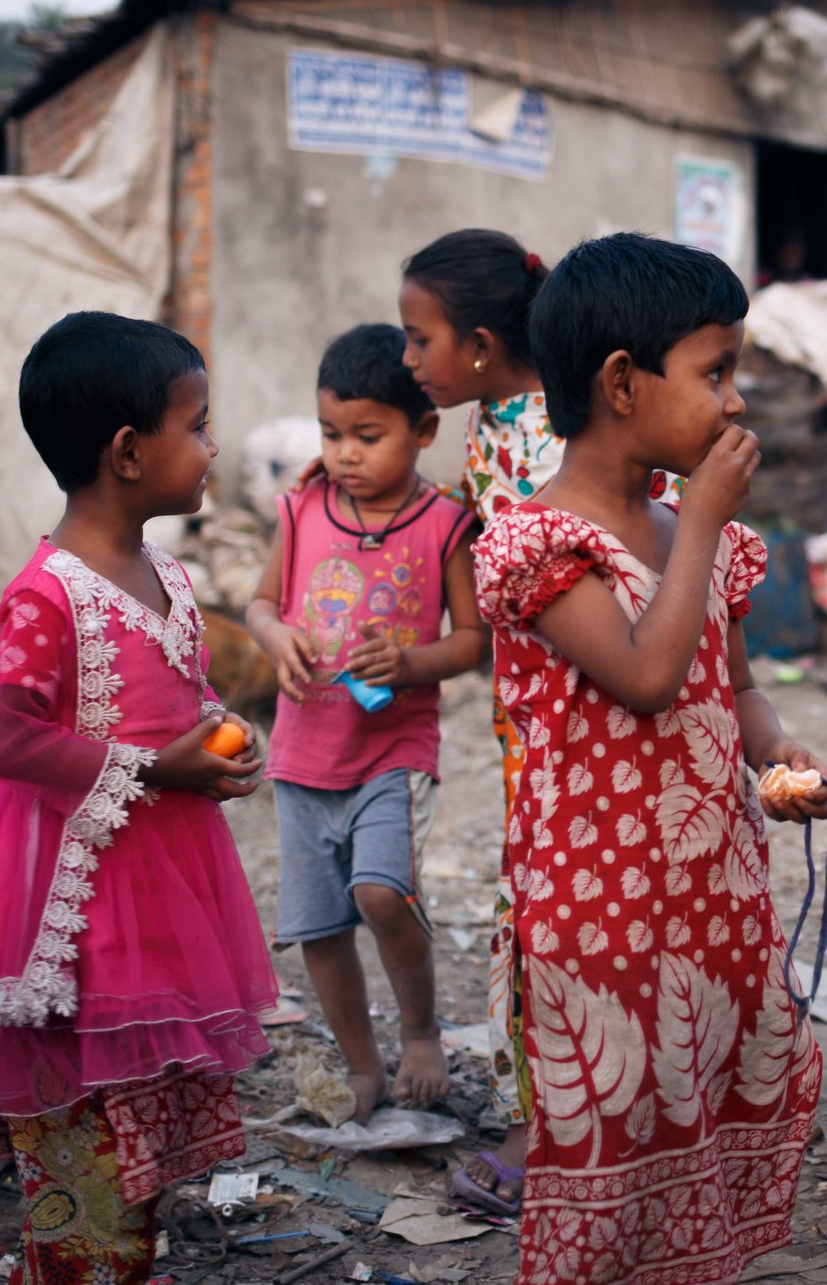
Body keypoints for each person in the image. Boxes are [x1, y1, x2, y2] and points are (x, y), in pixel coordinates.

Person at [472, 232, 827, 1285]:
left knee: (706, 1095)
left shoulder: (690, 528)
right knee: (616, 1125)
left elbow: (733, 682)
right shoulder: (537, 541)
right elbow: (645, 674)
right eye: (715, 371)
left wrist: (775, 750)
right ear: (621, 383)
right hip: (602, 911)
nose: (734, 400)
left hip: (712, 887)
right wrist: (708, 523)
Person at [0, 311, 276, 1285]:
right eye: (197, 424)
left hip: (158, 901)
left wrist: (225, 743)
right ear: (125, 450)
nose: (210, 445)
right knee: (82, 1154)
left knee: (140, 1143)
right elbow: (5, 735)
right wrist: (158, 770)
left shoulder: (165, 571)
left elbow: (181, 697)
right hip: (72, 921)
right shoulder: (47, 593)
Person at [246, 324, 485, 1119]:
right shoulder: (302, 507)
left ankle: (419, 1031)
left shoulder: (442, 523)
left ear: (423, 431)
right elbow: (258, 602)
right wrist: (276, 633)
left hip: (393, 748)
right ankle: (362, 1064)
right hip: (303, 753)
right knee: (320, 924)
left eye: (367, 435)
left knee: (383, 894)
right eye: (331, 433)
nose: (345, 453)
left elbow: (472, 638)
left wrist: (412, 663)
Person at [395, 228, 556, 1207]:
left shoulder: (550, 431)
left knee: (551, 911)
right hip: (523, 721)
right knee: (539, 902)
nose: (409, 357)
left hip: (564, 719)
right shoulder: (496, 418)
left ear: (484, 345)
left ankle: (547, 1133)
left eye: (420, 338)